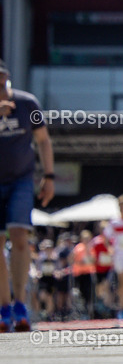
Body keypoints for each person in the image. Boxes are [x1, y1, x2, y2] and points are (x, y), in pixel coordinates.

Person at [0, 59, 54, 331]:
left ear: (7, 78)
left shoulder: (27, 103)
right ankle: (4, 306)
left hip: (21, 179)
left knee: (20, 236)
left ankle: (20, 303)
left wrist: (49, 176)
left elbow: (43, 140)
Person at [71, 230, 97, 318]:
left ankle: (90, 310)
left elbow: (93, 260)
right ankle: (82, 311)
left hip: (89, 272)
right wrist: (81, 262)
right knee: (81, 292)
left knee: (89, 293)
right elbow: (73, 259)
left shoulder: (91, 248)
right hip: (79, 273)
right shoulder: (78, 248)